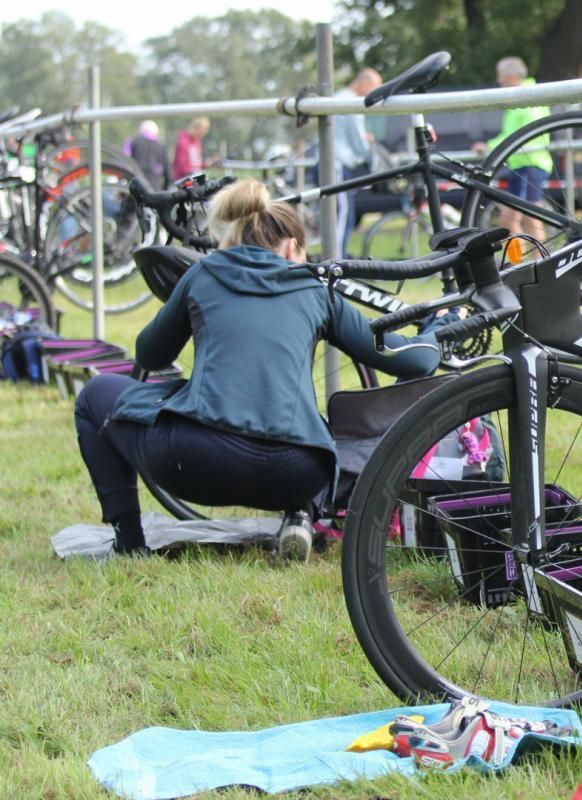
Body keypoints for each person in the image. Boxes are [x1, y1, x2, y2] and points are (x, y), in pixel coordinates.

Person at [73, 179, 445, 560]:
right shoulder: (315, 289)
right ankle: (301, 515)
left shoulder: (204, 273)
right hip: (297, 473)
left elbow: (148, 355)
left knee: (93, 396)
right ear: (290, 246)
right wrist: (436, 330)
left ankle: (130, 540)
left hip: (195, 461)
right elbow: (413, 360)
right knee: (309, 423)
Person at [472, 57, 551, 263]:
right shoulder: (521, 98)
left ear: (510, 76)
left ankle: (538, 262)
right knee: (510, 219)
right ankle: (519, 263)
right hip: (521, 164)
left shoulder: (528, 100)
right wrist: (491, 145)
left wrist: (489, 146)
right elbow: (511, 134)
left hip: (531, 163)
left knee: (527, 218)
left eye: (500, 76)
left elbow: (523, 135)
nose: (498, 81)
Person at [334, 68, 384, 258]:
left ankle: (338, 256)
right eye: (374, 89)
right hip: (337, 164)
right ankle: (336, 261)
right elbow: (359, 143)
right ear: (364, 84)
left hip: (330, 161)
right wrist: (373, 158)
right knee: (343, 216)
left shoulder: (338, 96)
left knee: (340, 215)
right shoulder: (353, 102)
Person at [126, 121, 171, 190]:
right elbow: (168, 172)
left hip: (136, 183)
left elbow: (125, 161)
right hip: (155, 185)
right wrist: (165, 189)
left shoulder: (133, 142)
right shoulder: (160, 146)